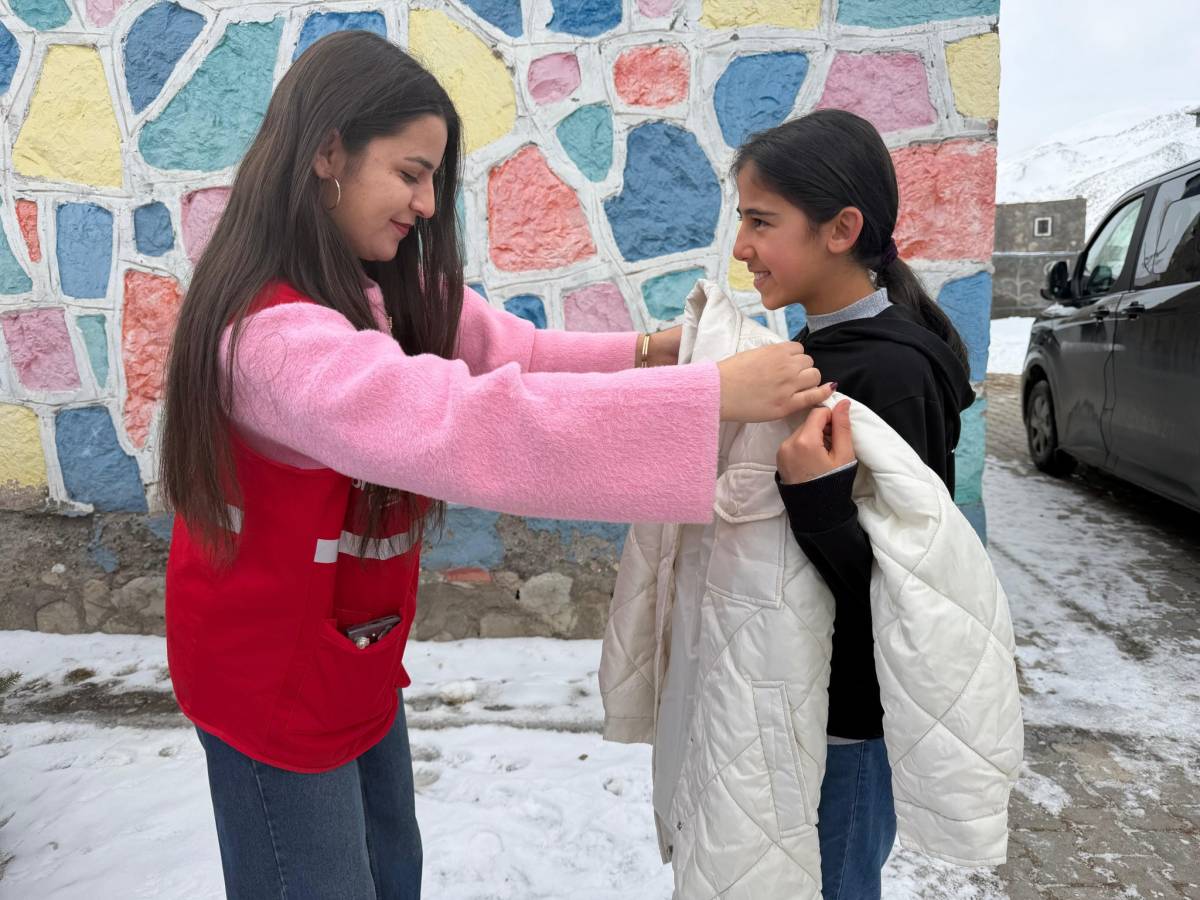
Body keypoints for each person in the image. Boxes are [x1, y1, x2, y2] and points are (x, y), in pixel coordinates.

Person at [158, 31, 832, 900]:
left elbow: (515, 355)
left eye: (435, 178)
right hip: (269, 684)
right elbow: (466, 426)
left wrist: (653, 352)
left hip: (347, 662)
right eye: (409, 173)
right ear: (327, 152)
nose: (428, 204)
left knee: (391, 873)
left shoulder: (381, 288)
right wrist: (708, 398)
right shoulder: (272, 340)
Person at [735, 109, 976, 899]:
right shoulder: (808, 354)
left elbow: (904, 583)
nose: (742, 248)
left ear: (841, 228)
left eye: (761, 222)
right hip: (796, 683)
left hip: (850, 709)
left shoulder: (893, 375)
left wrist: (817, 502)